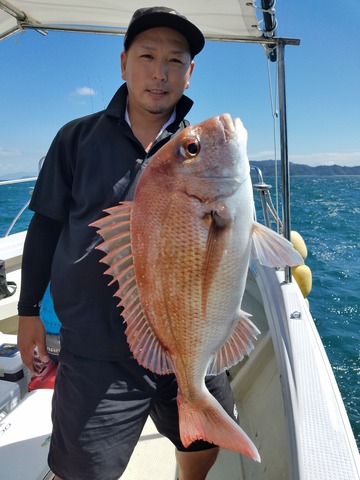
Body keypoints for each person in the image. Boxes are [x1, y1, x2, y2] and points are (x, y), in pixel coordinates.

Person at [17, 7, 238, 480]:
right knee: (82, 470)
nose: (160, 73)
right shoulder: (75, 139)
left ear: (190, 72)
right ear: (123, 64)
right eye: (147, 56)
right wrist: (29, 309)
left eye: (175, 61)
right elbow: (45, 226)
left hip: (189, 341)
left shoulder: (195, 145)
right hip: (96, 349)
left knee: (201, 445)